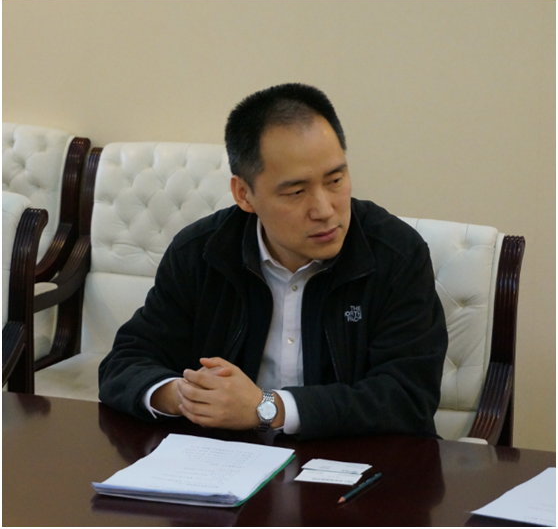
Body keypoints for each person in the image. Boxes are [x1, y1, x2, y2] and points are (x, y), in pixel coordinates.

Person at [98, 83, 448, 440]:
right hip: (230, 460)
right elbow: (125, 362)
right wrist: (187, 396)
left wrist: (267, 408)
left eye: (335, 180)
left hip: (360, 461)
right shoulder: (201, 252)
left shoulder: (396, 254)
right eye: (296, 192)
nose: (324, 210)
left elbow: (407, 397)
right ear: (244, 195)